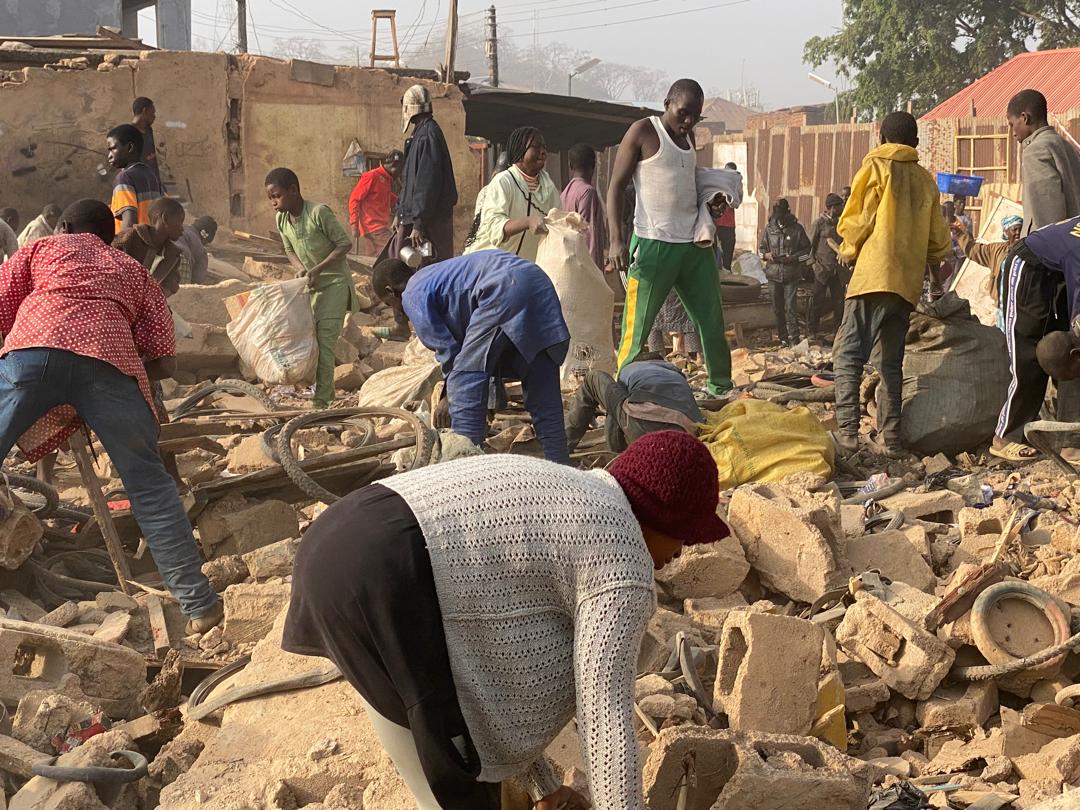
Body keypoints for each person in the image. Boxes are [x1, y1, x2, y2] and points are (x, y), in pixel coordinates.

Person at [283, 429, 727, 810]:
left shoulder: (579, 493)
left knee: (444, 773)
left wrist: (543, 786)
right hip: (389, 575)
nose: (683, 552)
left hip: (343, 540)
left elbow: (500, 669)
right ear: (660, 515)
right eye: (686, 534)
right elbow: (604, 710)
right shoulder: (622, 557)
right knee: (458, 785)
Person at [0, 199, 221, 632]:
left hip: (32, 356)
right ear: (110, 235)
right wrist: (113, 373)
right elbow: (165, 361)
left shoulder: (42, 248)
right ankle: (200, 606)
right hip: (110, 364)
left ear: (63, 226)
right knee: (151, 489)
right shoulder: (132, 269)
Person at [371, 252, 570, 463]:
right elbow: (486, 350)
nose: (397, 310)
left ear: (390, 291)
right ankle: (563, 470)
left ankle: (466, 469)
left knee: (464, 379)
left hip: (503, 287)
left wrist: (450, 397)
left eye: (389, 303)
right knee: (544, 397)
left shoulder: (412, 293)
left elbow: (449, 352)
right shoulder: (436, 274)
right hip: (537, 281)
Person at [833, 111, 952, 456]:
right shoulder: (926, 181)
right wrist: (930, 279)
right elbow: (938, 243)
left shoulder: (876, 166)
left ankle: (847, 436)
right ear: (915, 143)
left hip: (872, 276)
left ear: (882, 138)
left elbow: (857, 218)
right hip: (905, 284)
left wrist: (848, 249)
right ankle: (890, 438)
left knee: (848, 355)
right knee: (890, 363)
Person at [606, 78, 732, 396]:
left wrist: (712, 203)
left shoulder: (688, 136)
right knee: (636, 328)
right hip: (653, 244)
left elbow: (687, 183)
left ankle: (721, 386)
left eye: (695, 116)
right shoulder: (644, 131)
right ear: (667, 104)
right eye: (683, 113)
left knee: (711, 320)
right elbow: (615, 187)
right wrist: (616, 240)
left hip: (692, 245)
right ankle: (623, 392)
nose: (687, 122)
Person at [266, 168, 357, 411]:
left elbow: (344, 244)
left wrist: (317, 268)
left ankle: (322, 403)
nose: (273, 203)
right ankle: (317, 389)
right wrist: (301, 269)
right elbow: (289, 251)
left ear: (294, 190)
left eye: (277, 196)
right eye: (270, 198)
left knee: (325, 343)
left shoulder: (318, 213)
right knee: (308, 340)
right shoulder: (281, 220)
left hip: (335, 284)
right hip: (310, 286)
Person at [991, 215, 1080, 459]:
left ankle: (1073, 443)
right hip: (1027, 269)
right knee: (1027, 355)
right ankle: (1006, 436)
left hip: (1057, 276)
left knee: (1073, 359)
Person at [564, 352, 702, 453]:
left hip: (643, 424)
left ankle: (563, 444)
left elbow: (614, 411)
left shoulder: (630, 368)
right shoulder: (676, 373)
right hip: (684, 434)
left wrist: (616, 451)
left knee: (592, 378)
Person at [464, 127, 558, 263]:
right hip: (488, 266)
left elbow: (557, 223)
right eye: (536, 147)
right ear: (520, 152)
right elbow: (494, 227)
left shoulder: (550, 190)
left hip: (522, 270)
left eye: (544, 148)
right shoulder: (503, 182)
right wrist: (528, 221)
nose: (542, 152)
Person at [395, 85, 458, 263]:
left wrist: (418, 224)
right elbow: (410, 184)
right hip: (418, 219)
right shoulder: (420, 135)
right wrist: (399, 214)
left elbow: (426, 184)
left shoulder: (428, 136)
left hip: (430, 223)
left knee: (428, 270)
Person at [1007, 89, 1080, 236]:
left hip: (1053, 250)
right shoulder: (1067, 147)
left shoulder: (1035, 151)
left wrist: (1044, 253)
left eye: (1012, 124)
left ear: (1024, 118)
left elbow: (1048, 217)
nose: (1013, 132)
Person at [951, 213, 1023, 329]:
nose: (1018, 233)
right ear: (1006, 232)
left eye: (1020, 229)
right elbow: (974, 250)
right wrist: (959, 233)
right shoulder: (996, 250)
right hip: (1002, 307)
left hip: (1020, 309)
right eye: (1014, 229)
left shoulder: (1028, 251)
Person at [760, 199, 812, 346]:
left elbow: (808, 252)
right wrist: (767, 255)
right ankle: (783, 337)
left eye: (781, 214)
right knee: (777, 308)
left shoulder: (797, 229)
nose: (779, 218)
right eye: (777, 214)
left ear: (787, 212)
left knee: (790, 307)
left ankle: (794, 339)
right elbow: (762, 249)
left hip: (791, 274)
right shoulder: (769, 229)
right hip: (773, 274)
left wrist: (794, 258)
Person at [113, 197, 186, 297]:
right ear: (165, 218)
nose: (182, 229)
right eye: (180, 221)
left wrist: (156, 296)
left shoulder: (173, 255)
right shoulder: (130, 238)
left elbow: (171, 285)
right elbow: (108, 266)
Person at [107, 124, 164, 233]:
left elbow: (129, 219)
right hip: (150, 242)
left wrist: (121, 246)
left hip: (134, 245)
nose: (109, 155)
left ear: (130, 148)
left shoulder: (124, 178)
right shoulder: (150, 175)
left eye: (113, 149)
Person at [348, 151, 403, 257]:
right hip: (374, 227)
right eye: (400, 170)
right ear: (394, 166)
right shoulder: (372, 176)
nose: (400, 173)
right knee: (393, 252)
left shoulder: (386, 179)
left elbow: (385, 197)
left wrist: (403, 201)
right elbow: (354, 199)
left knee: (374, 259)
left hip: (376, 227)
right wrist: (354, 225)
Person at [561, 143, 606, 269]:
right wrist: (594, 270)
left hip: (570, 260)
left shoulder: (565, 193)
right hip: (584, 265)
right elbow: (588, 233)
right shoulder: (588, 192)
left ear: (570, 166)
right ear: (593, 165)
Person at [808, 193, 847, 337]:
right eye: (839, 206)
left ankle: (837, 331)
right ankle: (813, 330)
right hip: (822, 270)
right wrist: (813, 265)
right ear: (832, 208)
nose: (842, 208)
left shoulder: (840, 223)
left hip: (837, 270)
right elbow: (809, 247)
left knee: (839, 302)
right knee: (817, 301)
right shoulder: (819, 223)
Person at [176, 215, 218, 285]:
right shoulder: (199, 245)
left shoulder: (182, 227)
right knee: (182, 293)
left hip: (159, 253)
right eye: (206, 243)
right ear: (205, 236)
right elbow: (198, 278)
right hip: (179, 259)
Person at [714, 161, 739, 271]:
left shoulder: (736, 185)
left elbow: (735, 203)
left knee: (727, 253)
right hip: (717, 223)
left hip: (728, 225)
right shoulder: (718, 183)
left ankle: (726, 273)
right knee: (714, 252)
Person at [132, 96, 161, 181]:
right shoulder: (129, 133)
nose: (154, 116)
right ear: (144, 111)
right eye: (152, 113)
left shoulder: (148, 129)